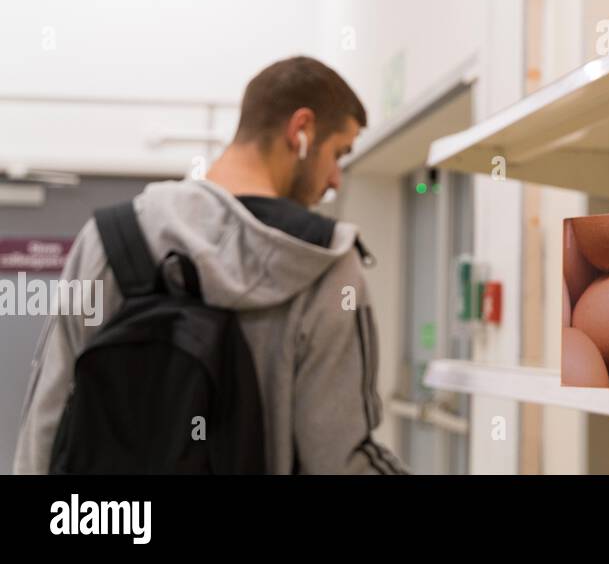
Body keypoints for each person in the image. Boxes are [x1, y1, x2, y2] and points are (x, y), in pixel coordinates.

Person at [14, 56, 407, 474]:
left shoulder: (107, 240)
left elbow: (46, 417)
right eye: (338, 154)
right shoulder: (325, 264)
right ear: (302, 131)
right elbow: (338, 460)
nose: (335, 180)